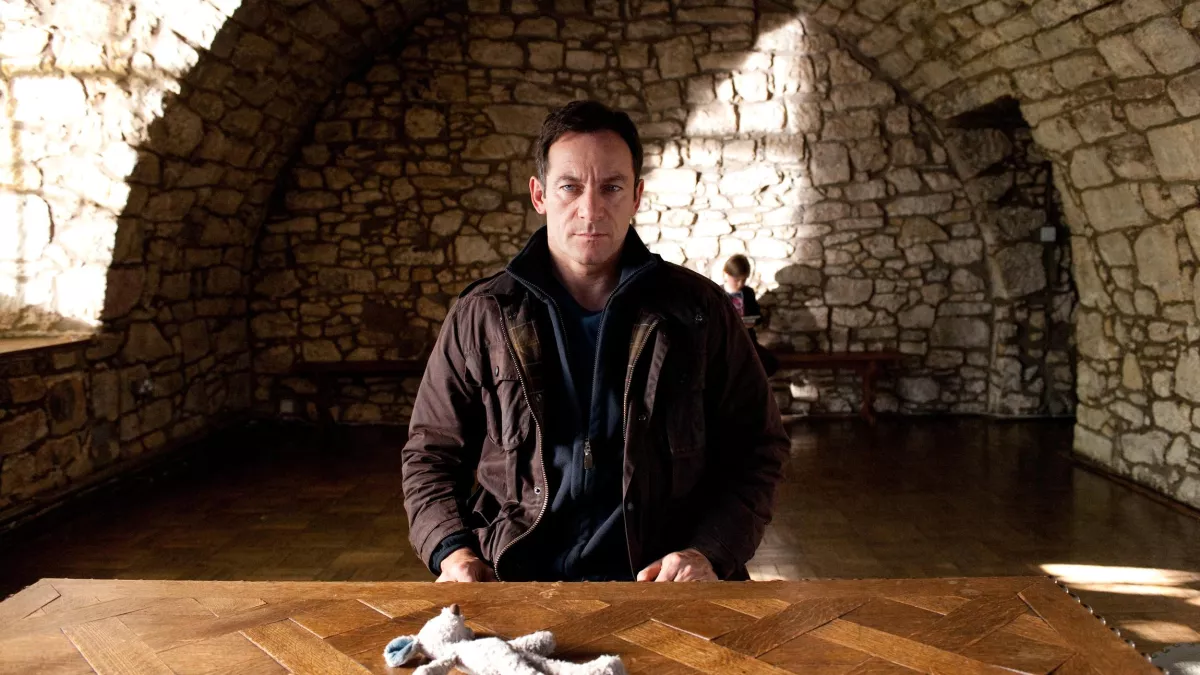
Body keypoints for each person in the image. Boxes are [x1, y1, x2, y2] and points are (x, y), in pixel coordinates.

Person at [402, 100, 789, 584]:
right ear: (540, 195)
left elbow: (757, 447)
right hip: (517, 580)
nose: (590, 209)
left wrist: (709, 552)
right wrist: (454, 553)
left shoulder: (699, 311)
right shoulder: (483, 313)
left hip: (663, 583)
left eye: (611, 187)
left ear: (637, 196)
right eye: (570, 187)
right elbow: (430, 455)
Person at [723, 255, 779, 377]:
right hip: (727, 345)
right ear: (726, 275)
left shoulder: (748, 292)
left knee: (769, 364)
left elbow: (757, 316)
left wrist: (752, 322)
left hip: (748, 342)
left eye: (744, 280)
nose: (740, 284)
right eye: (737, 280)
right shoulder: (718, 294)